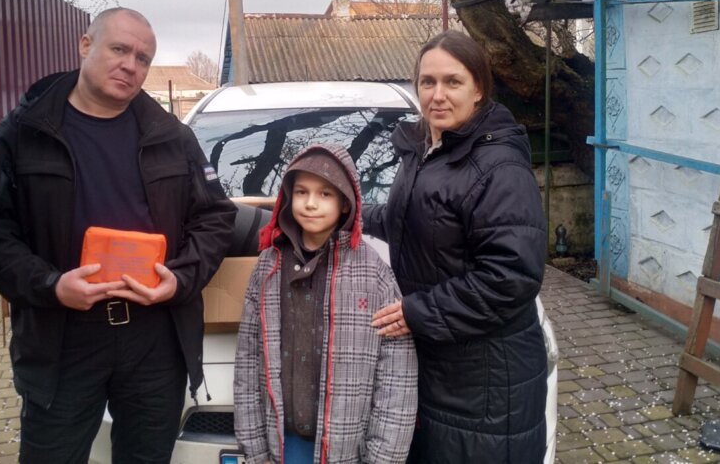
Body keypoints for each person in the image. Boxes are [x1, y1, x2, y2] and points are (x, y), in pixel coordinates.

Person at [0, 7, 236, 464]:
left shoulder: (171, 136)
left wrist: (181, 279)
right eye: (119, 49)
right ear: (85, 45)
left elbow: (215, 217)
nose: (130, 65)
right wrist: (50, 285)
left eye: (143, 58)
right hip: (62, 338)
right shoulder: (25, 132)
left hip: (155, 338)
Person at [364, 30, 548, 463]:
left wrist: (418, 312)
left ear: (478, 88)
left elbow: (511, 276)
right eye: (427, 82)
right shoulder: (428, 152)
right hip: (444, 366)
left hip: (486, 381)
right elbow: (407, 220)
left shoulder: (498, 167)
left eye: (453, 81)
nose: (438, 95)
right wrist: (343, 211)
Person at [233, 144, 417, 464]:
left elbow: (396, 374)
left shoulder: (373, 272)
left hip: (349, 449)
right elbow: (248, 360)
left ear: (346, 203)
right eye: (301, 192)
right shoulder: (268, 266)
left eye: (325, 194)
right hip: (284, 444)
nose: (311, 203)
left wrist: (383, 457)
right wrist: (256, 448)